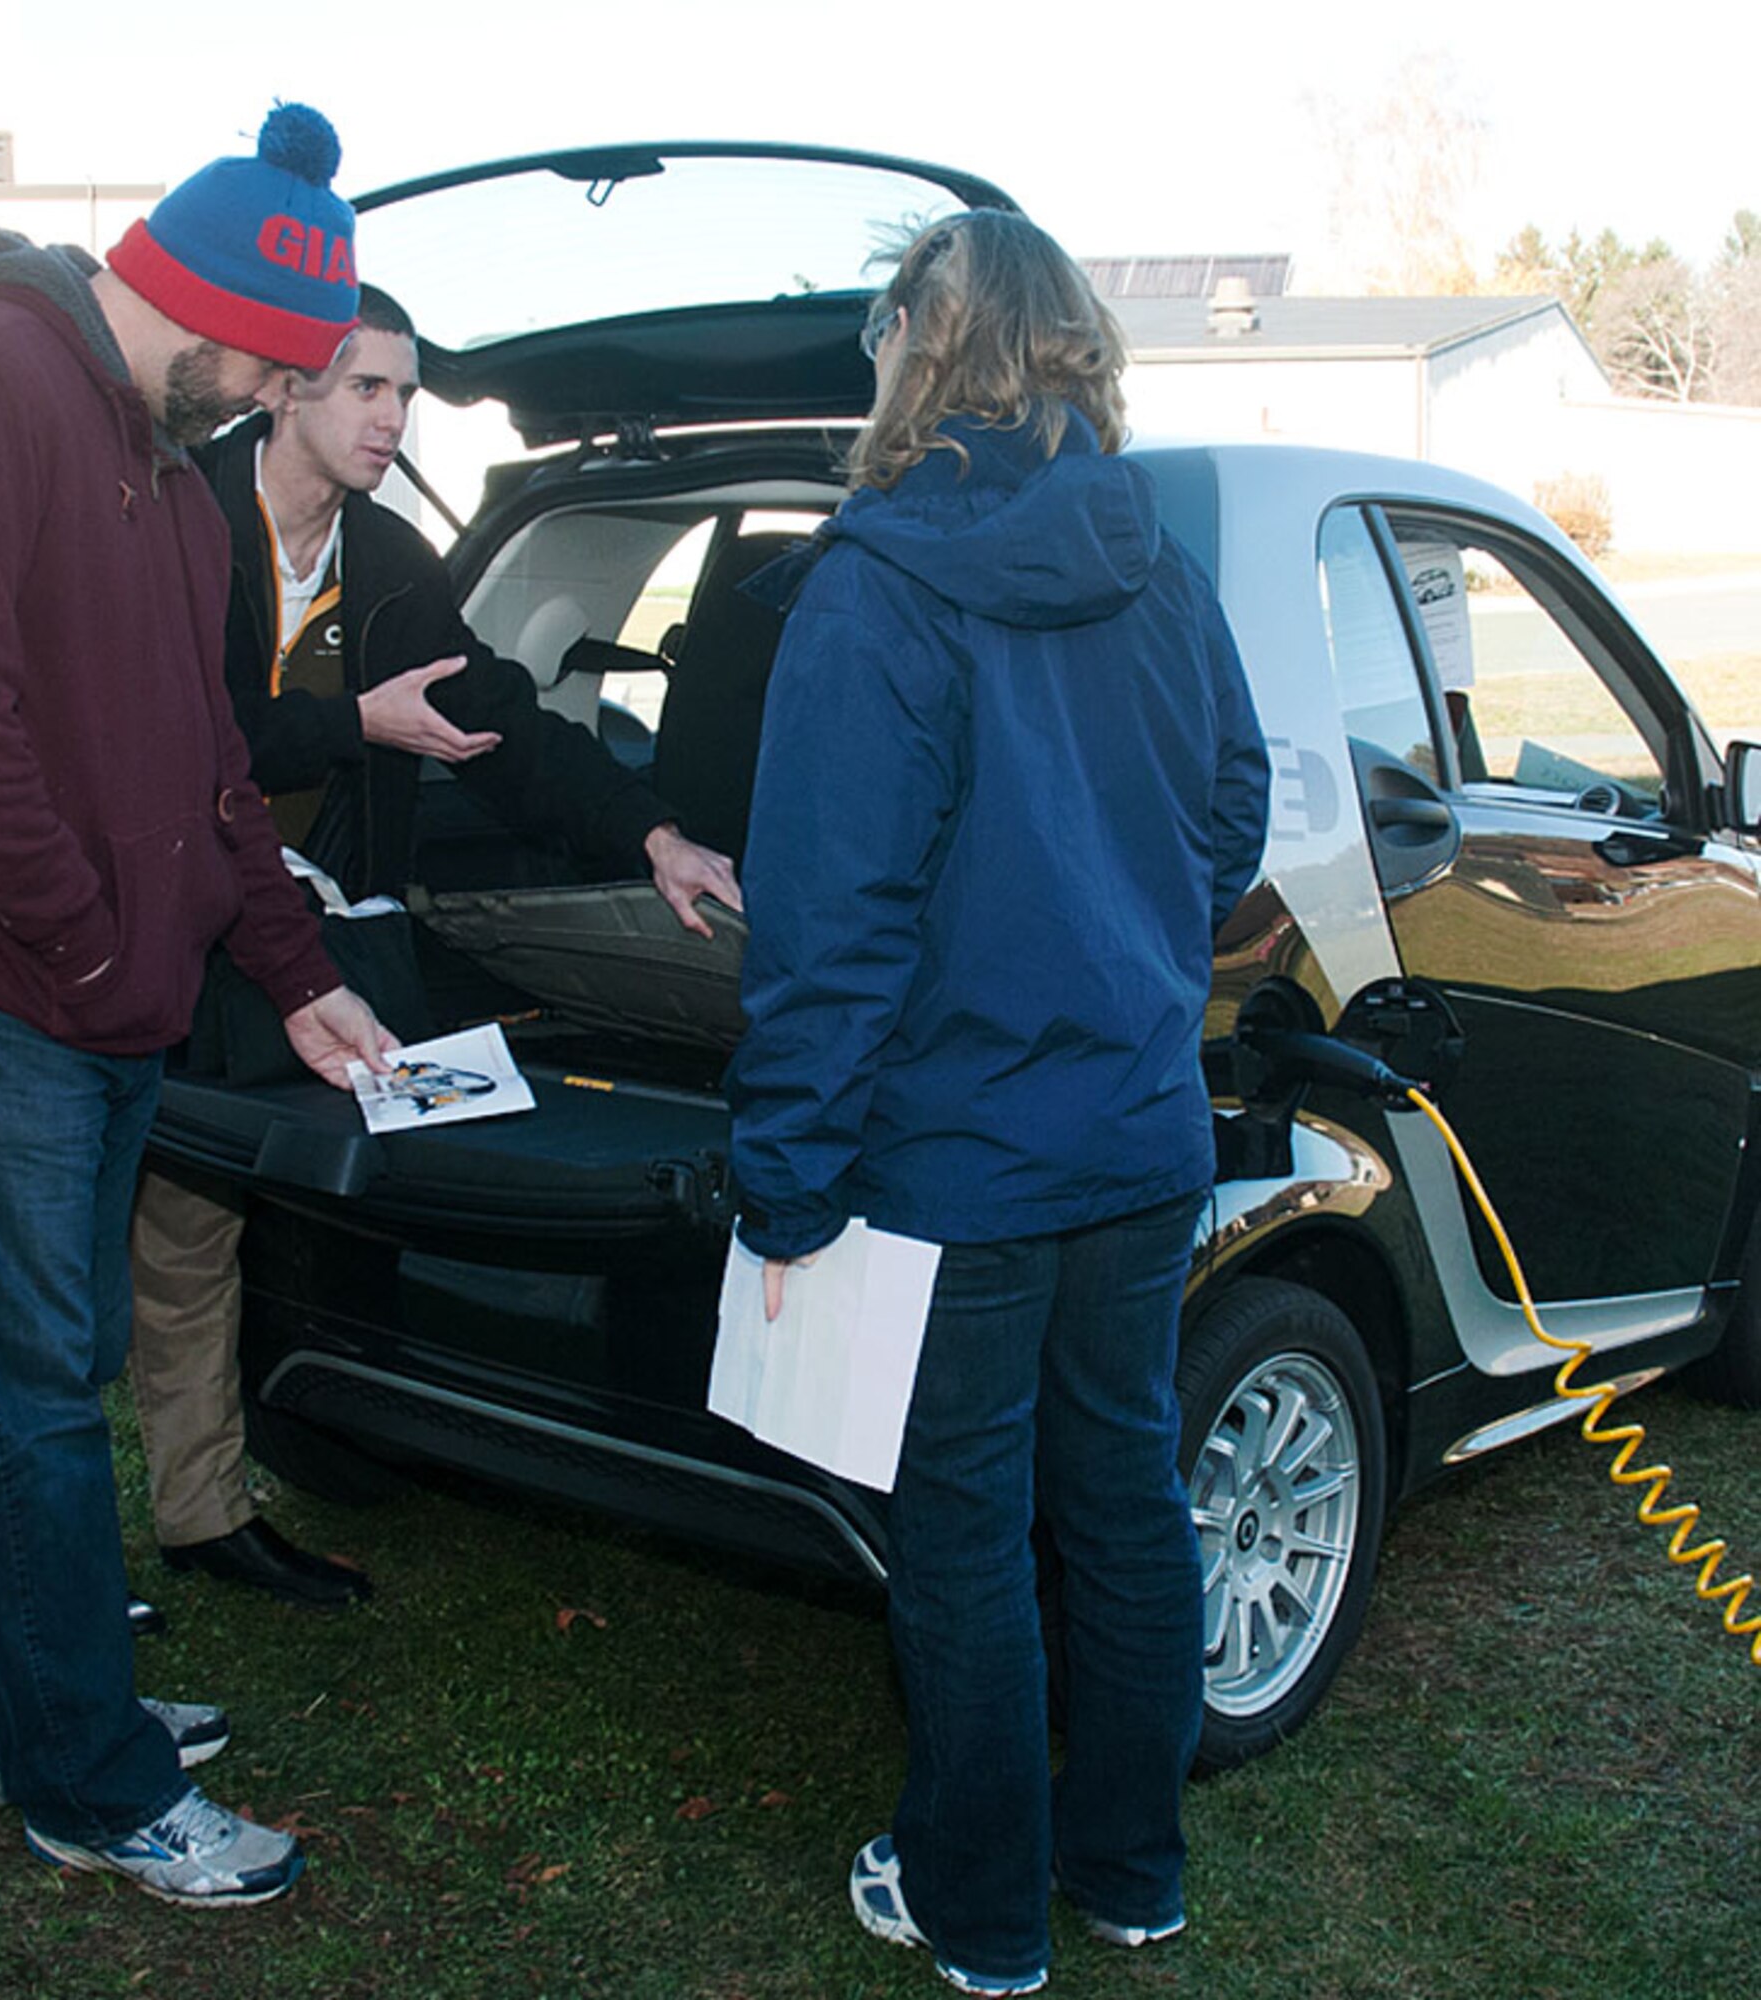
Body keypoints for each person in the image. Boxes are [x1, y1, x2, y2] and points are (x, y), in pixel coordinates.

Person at [725, 211, 1270, 1994]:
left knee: (963, 1530)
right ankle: (1128, 1875)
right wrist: (1120, 944)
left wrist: (781, 1182)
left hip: (960, 1160)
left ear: (912, 347)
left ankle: (977, 1912)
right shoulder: (1157, 559)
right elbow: (1230, 815)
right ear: (1070, 350)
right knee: (1119, 1495)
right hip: (1130, 1128)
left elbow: (826, 916)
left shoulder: (872, 579)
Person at [0, 103, 394, 1908]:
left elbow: (213, 762)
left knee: (11, 1387)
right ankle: (94, 1780)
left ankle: (1, 1709)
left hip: (104, 1006)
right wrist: (87, 947)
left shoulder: (169, 474)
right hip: (9, 1003)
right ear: (200, 307)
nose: (273, 395)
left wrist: (296, 977)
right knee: (40, 1399)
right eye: (275, 364)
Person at [128, 283, 743, 1608]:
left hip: (319, 941)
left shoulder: (393, 560)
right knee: (168, 1235)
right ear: (283, 386)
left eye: (403, 393)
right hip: (160, 927)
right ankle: (186, 1511)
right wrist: (354, 723)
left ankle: (310, 1444)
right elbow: (188, 743)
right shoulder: (181, 516)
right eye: (365, 386)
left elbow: (503, 724)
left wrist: (650, 838)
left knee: (326, 1200)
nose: (391, 416)